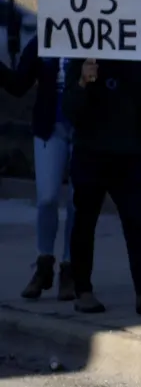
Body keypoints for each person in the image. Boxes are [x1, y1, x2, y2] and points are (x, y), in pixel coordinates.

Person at [62, 56, 141, 314]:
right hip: (90, 153)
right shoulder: (81, 57)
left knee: (136, 223)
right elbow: (70, 111)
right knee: (84, 222)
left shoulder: (135, 57)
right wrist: (83, 80)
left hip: (129, 153)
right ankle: (83, 290)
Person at [2, 36, 76, 301]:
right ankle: (44, 263)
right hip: (49, 127)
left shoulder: (91, 31)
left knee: (78, 202)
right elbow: (20, 84)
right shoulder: (43, 39)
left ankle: (70, 267)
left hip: (85, 128)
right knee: (46, 198)